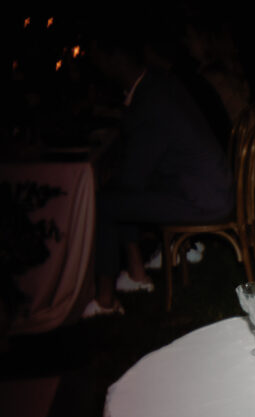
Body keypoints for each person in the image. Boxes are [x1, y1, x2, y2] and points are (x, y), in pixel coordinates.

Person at [83, 29, 233, 316]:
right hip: (208, 184)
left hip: (203, 197)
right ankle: (136, 274)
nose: (95, 65)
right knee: (118, 194)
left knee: (106, 203)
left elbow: (132, 179)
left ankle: (105, 299)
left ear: (114, 59)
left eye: (97, 57)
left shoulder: (151, 97)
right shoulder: (157, 83)